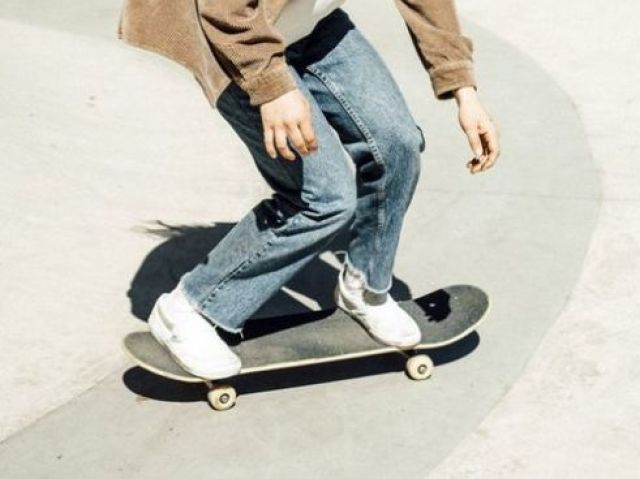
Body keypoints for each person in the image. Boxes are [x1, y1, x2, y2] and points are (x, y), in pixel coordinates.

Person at [119, 0, 500, 379]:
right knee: (323, 197)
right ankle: (190, 309)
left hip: (307, 24)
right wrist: (270, 87)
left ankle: (363, 287)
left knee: (396, 145)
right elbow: (224, 10)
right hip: (227, 34)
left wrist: (463, 89)